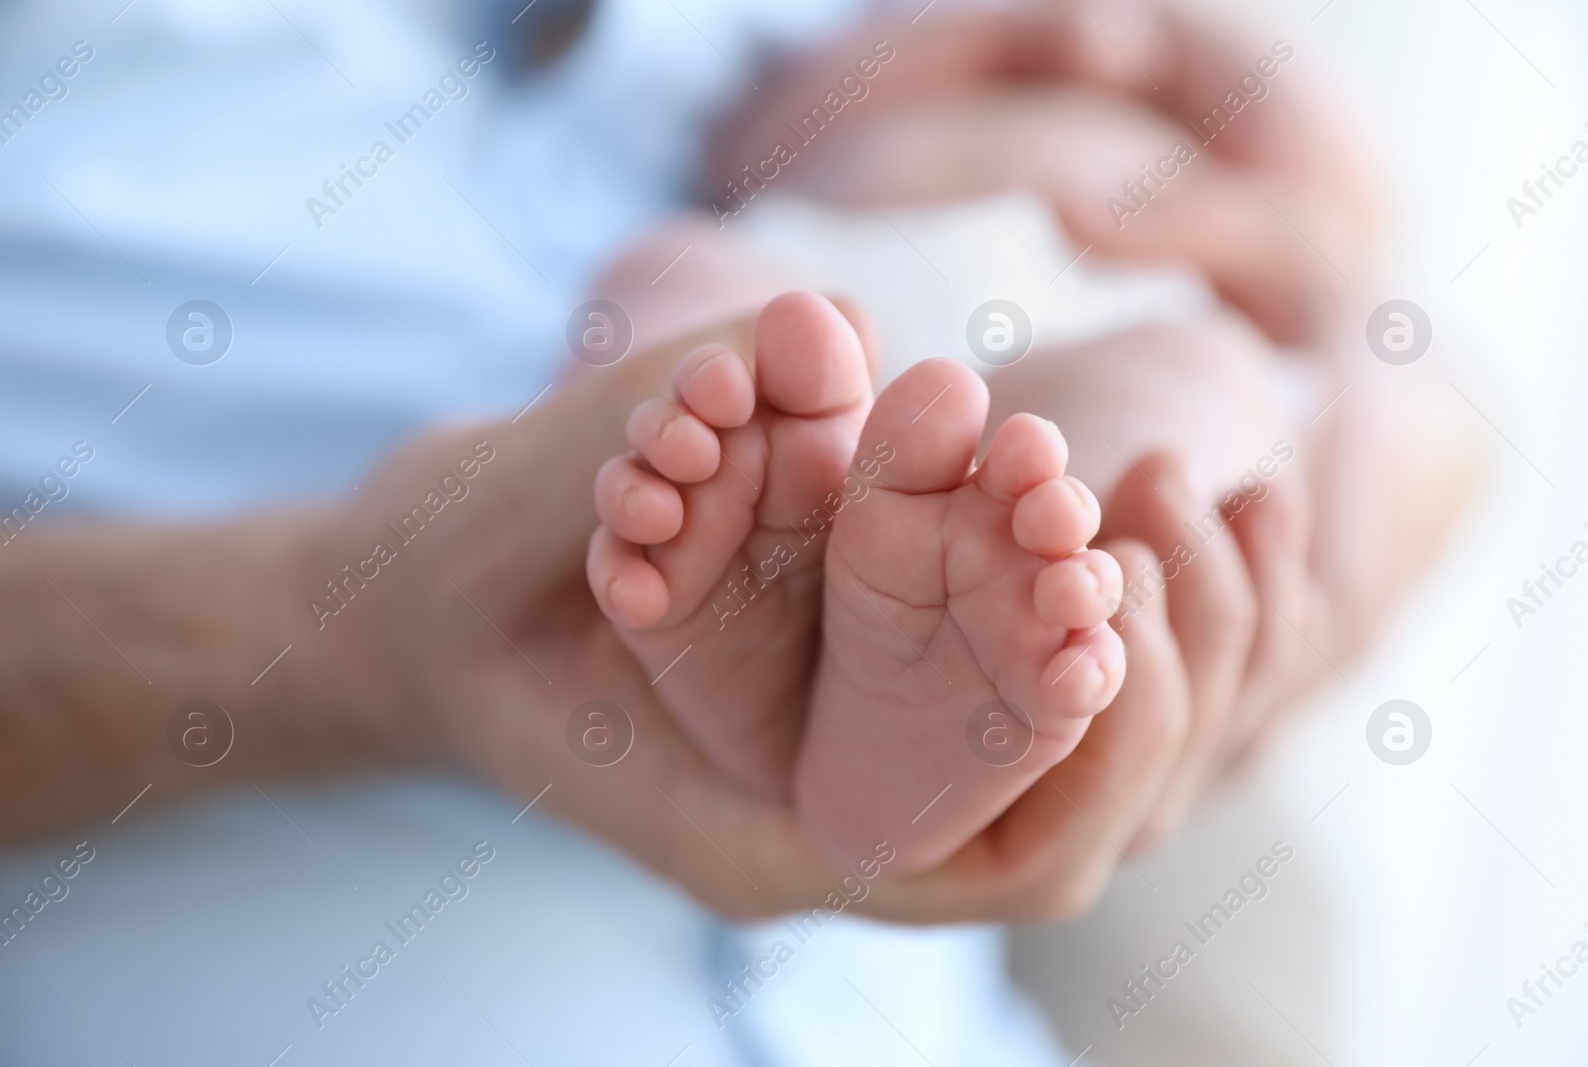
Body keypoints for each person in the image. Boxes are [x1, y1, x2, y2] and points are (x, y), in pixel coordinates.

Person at [0, 0, 1480, 1062]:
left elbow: (1408, 349)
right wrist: (350, 627)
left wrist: (1366, 396)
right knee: (699, 330)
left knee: (1168, 425)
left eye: (1161, 80)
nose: (1092, 48)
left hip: (1091, 362)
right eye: (1030, 42)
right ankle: (792, 568)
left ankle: (960, 647)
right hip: (813, 287)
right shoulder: (757, 195)